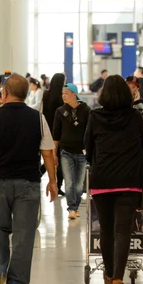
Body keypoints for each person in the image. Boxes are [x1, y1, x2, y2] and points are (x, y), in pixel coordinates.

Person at [0, 74, 58, 284]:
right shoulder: (38, 118)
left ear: (4, 94)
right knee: (24, 233)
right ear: (26, 94)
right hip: (28, 182)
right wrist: (53, 182)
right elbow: (48, 153)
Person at [84, 75, 143, 284]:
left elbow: (87, 147)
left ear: (103, 94)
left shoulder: (95, 116)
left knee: (106, 230)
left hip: (102, 180)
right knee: (122, 230)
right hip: (129, 181)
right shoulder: (135, 118)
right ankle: (118, 279)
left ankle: (108, 275)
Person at [53, 83, 91, 219]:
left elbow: (90, 132)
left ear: (74, 95)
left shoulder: (86, 110)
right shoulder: (60, 111)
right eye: (62, 94)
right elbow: (56, 135)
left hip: (82, 153)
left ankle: (75, 204)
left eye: (66, 94)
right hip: (66, 152)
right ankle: (72, 208)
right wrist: (54, 154)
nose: (63, 96)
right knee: (69, 183)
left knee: (79, 185)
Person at [41, 73, 66, 195]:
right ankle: (58, 184)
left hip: (47, 129)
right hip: (58, 130)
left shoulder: (46, 94)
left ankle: (39, 173)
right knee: (59, 158)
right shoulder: (61, 97)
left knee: (48, 156)